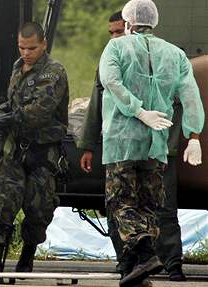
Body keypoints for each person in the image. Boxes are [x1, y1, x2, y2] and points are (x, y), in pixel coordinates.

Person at [99, 0, 205, 286]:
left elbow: (110, 81)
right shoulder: (175, 55)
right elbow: (191, 95)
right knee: (148, 205)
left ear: (128, 22)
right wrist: (193, 136)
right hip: (157, 145)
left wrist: (138, 111)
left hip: (122, 142)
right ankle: (136, 272)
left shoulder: (116, 48)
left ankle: (144, 254)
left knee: (121, 203)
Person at [78, 10, 187, 283]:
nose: (115, 37)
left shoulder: (161, 59)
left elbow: (177, 101)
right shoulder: (110, 62)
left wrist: (169, 144)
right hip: (122, 146)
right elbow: (97, 104)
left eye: (119, 31)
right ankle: (129, 264)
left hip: (155, 147)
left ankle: (171, 263)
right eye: (111, 33)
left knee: (158, 207)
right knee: (119, 207)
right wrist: (88, 145)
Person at [0, 22, 68, 274]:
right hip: (14, 150)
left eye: (31, 48)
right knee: (3, 203)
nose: (26, 53)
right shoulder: (17, 67)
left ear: (43, 44)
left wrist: (8, 118)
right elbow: (13, 101)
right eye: (21, 47)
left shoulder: (53, 72)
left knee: (38, 209)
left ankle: (27, 254)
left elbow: (39, 112)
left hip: (42, 152)